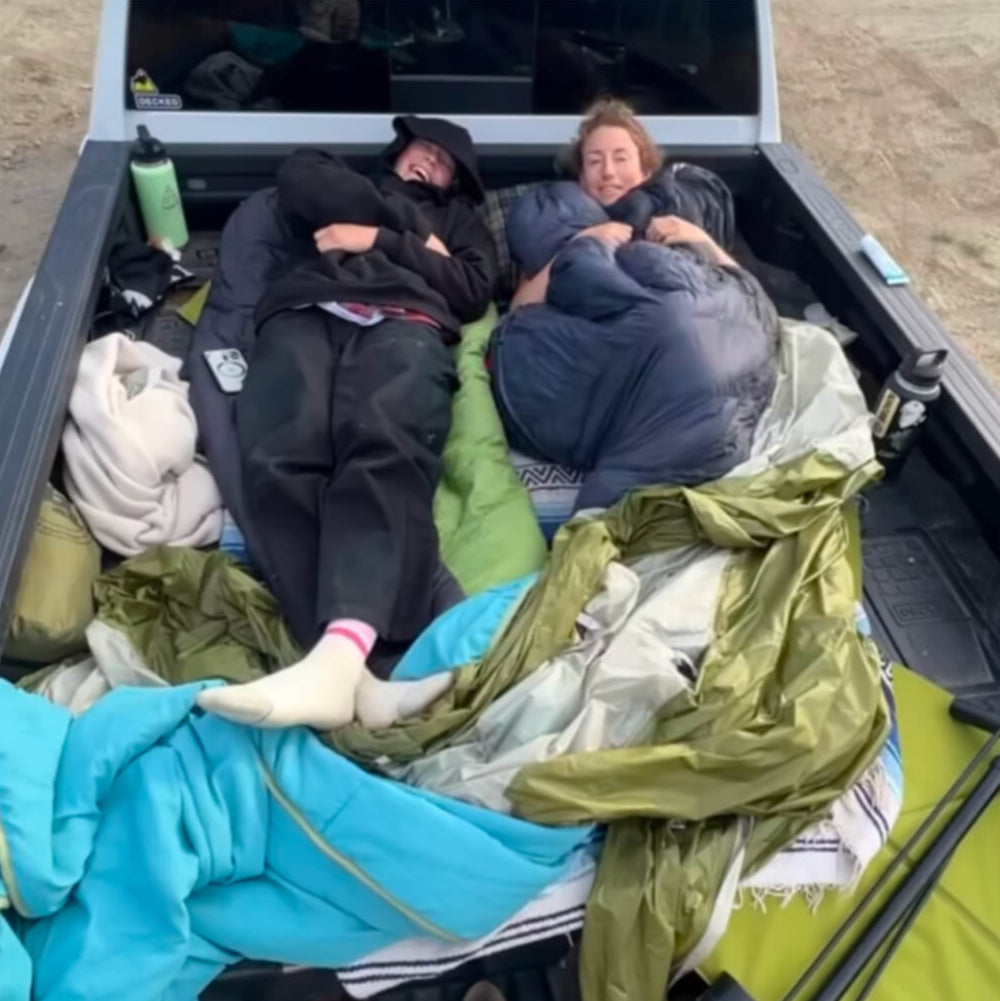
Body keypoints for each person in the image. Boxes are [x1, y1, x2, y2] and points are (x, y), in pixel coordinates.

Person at [197, 116, 497, 732]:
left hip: (405, 321)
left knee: (385, 440)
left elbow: (470, 288)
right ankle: (362, 674)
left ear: (456, 187)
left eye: (446, 167)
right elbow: (300, 177)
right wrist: (407, 226)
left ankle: (335, 665)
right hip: (302, 311)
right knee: (280, 449)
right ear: (400, 149)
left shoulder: (462, 223)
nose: (431, 166)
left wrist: (377, 241)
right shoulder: (345, 179)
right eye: (425, 151)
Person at [511, 98, 737, 310]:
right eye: (595, 161)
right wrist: (582, 243)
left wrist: (700, 238)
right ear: (581, 176)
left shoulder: (678, 209)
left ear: (645, 170)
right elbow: (519, 307)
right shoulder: (561, 222)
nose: (608, 172)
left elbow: (742, 293)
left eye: (621, 159)